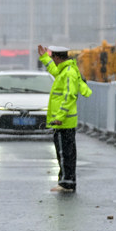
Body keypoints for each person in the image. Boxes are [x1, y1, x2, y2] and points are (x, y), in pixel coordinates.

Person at [37, 44, 92, 193]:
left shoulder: (68, 73)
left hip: (64, 121)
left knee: (64, 153)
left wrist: (59, 117)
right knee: (66, 152)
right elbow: (54, 70)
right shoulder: (65, 70)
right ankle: (67, 181)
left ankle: (66, 184)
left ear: (57, 57)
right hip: (65, 120)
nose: (53, 61)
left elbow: (69, 97)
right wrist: (44, 57)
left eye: (53, 58)